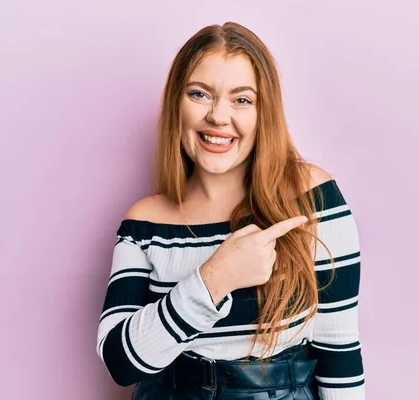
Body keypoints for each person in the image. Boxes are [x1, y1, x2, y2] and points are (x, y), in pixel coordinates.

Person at [96, 21, 365, 400]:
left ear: (263, 112)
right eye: (199, 94)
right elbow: (118, 363)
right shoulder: (145, 222)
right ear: (177, 102)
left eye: (242, 99)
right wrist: (215, 278)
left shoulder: (310, 198)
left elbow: (340, 354)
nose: (218, 117)